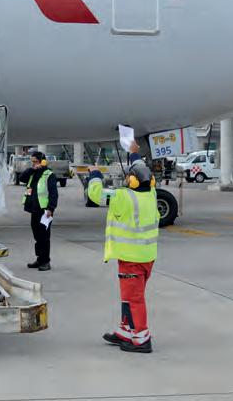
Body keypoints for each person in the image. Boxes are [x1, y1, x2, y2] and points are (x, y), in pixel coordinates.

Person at [87, 141, 159, 353]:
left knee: (134, 299)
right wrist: (134, 153)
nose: (127, 178)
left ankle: (141, 339)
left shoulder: (122, 197)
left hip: (131, 259)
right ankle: (126, 332)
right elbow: (141, 170)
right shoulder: (152, 194)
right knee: (129, 297)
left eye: (129, 176)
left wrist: (95, 175)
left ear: (133, 181)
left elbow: (96, 194)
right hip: (146, 257)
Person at [20, 151, 58, 271]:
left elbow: (53, 193)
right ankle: (40, 259)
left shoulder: (49, 175)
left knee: (44, 237)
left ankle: (46, 261)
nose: (34, 164)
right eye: (32, 162)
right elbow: (22, 178)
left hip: (45, 210)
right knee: (37, 236)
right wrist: (32, 169)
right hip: (34, 209)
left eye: (35, 162)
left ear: (43, 161)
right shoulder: (33, 173)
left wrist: (51, 208)